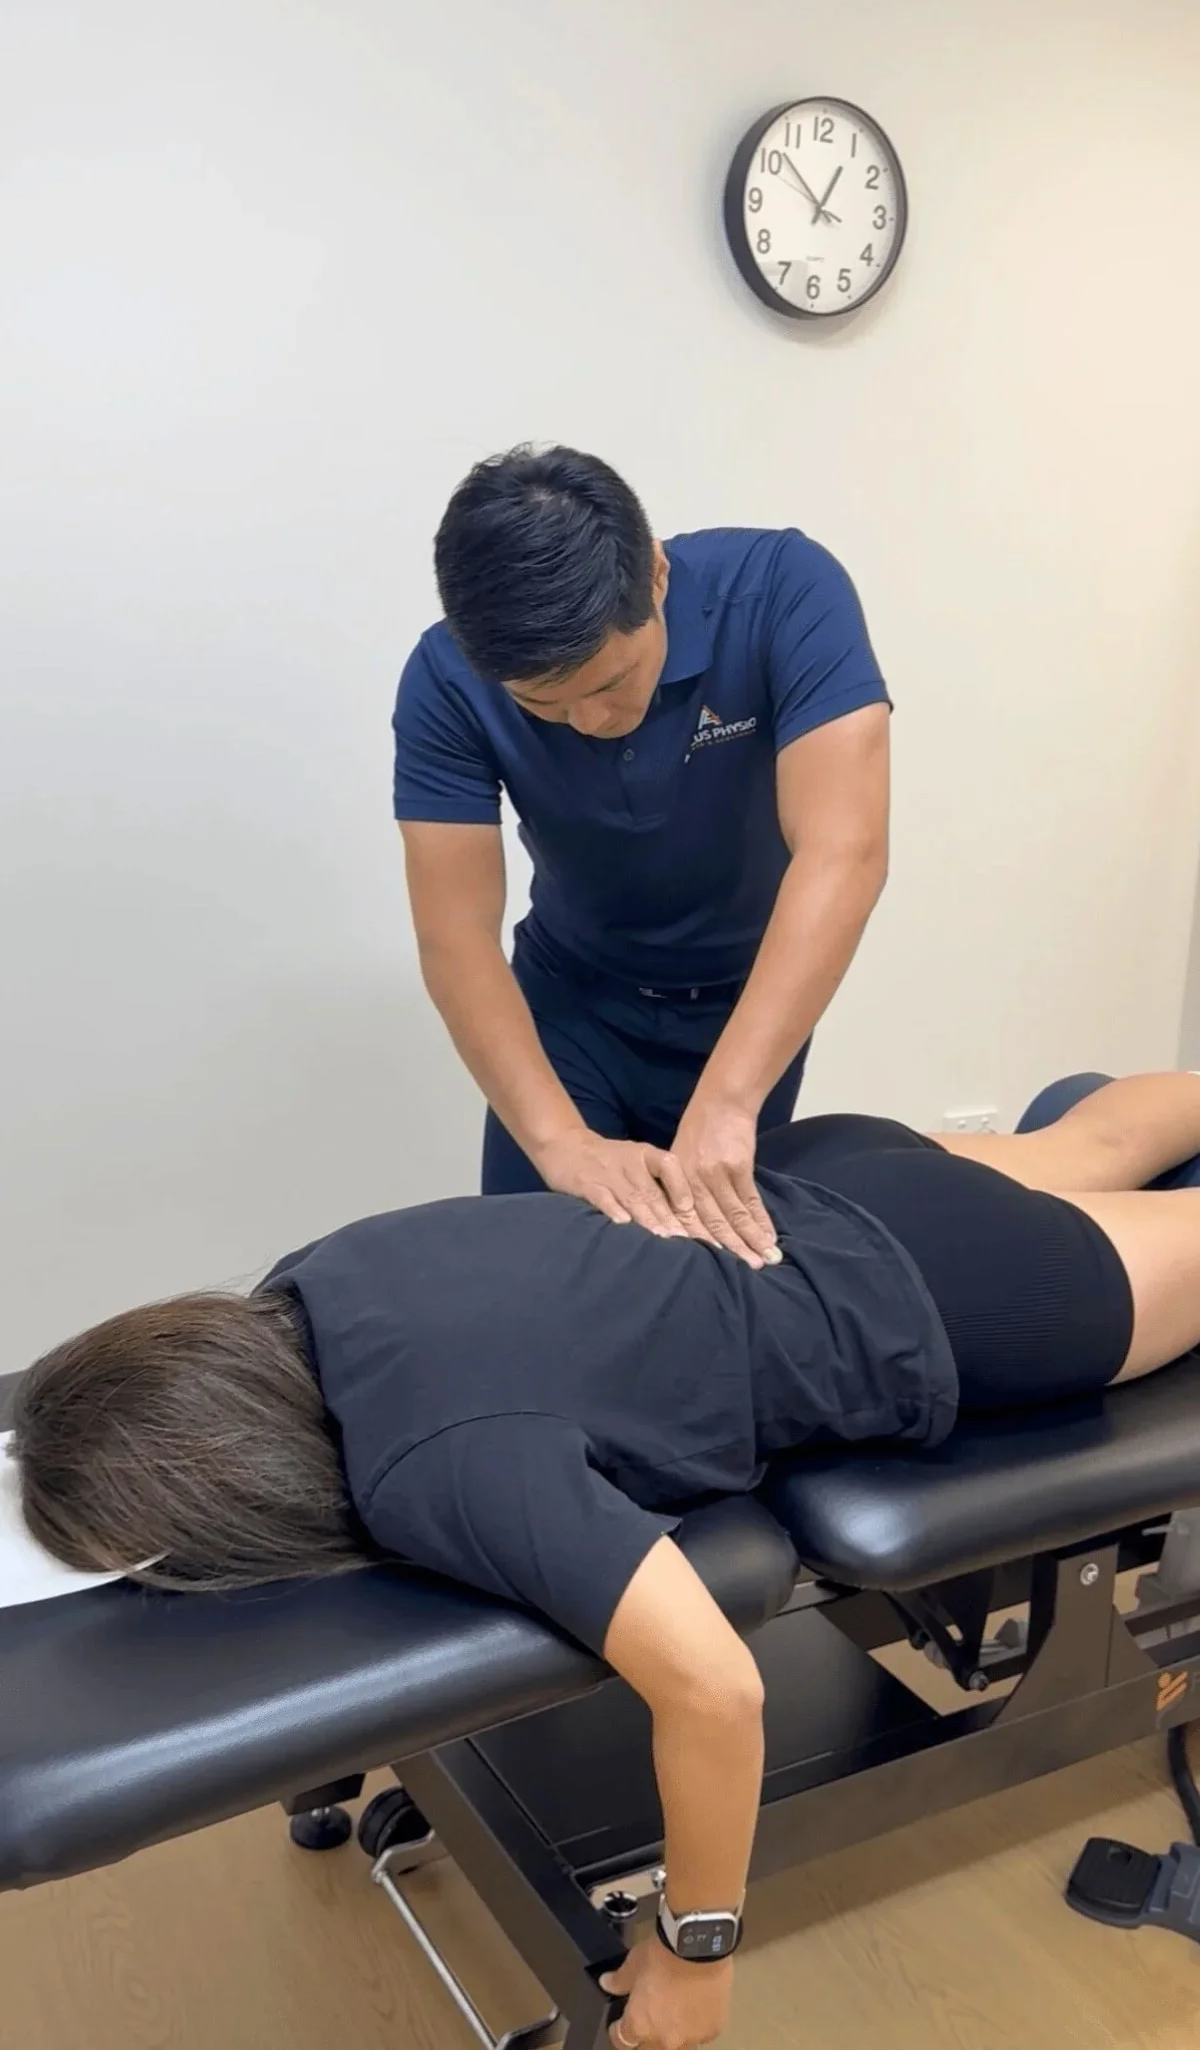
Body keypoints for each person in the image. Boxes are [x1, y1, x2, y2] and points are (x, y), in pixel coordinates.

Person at [14, 1072, 1200, 2050]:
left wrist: (698, 1951)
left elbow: (718, 1691)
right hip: (827, 1169)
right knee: (1088, 1134)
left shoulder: (438, 1469)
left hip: (967, 1299)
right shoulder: (311, 1276)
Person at [393, 444, 891, 1269]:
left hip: (744, 1004)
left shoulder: (783, 592)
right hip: (571, 1007)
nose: (587, 720)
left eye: (609, 681)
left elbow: (845, 850)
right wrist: (558, 1144)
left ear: (655, 576)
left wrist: (730, 1100)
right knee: (534, 1278)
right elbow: (456, 934)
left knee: (721, 1282)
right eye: (543, 705)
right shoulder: (445, 677)